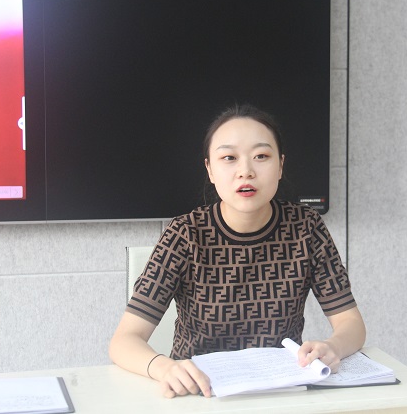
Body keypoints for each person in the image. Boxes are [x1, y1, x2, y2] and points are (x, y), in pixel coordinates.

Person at [109, 104, 366, 398]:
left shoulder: (306, 228)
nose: (246, 171)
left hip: (280, 394)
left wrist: (333, 347)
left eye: (261, 156)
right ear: (210, 169)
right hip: (200, 395)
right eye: (229, 158)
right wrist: (164, 367)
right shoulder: (185, 234)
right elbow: (124, 340)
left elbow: (351, 323)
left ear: (280, 166)